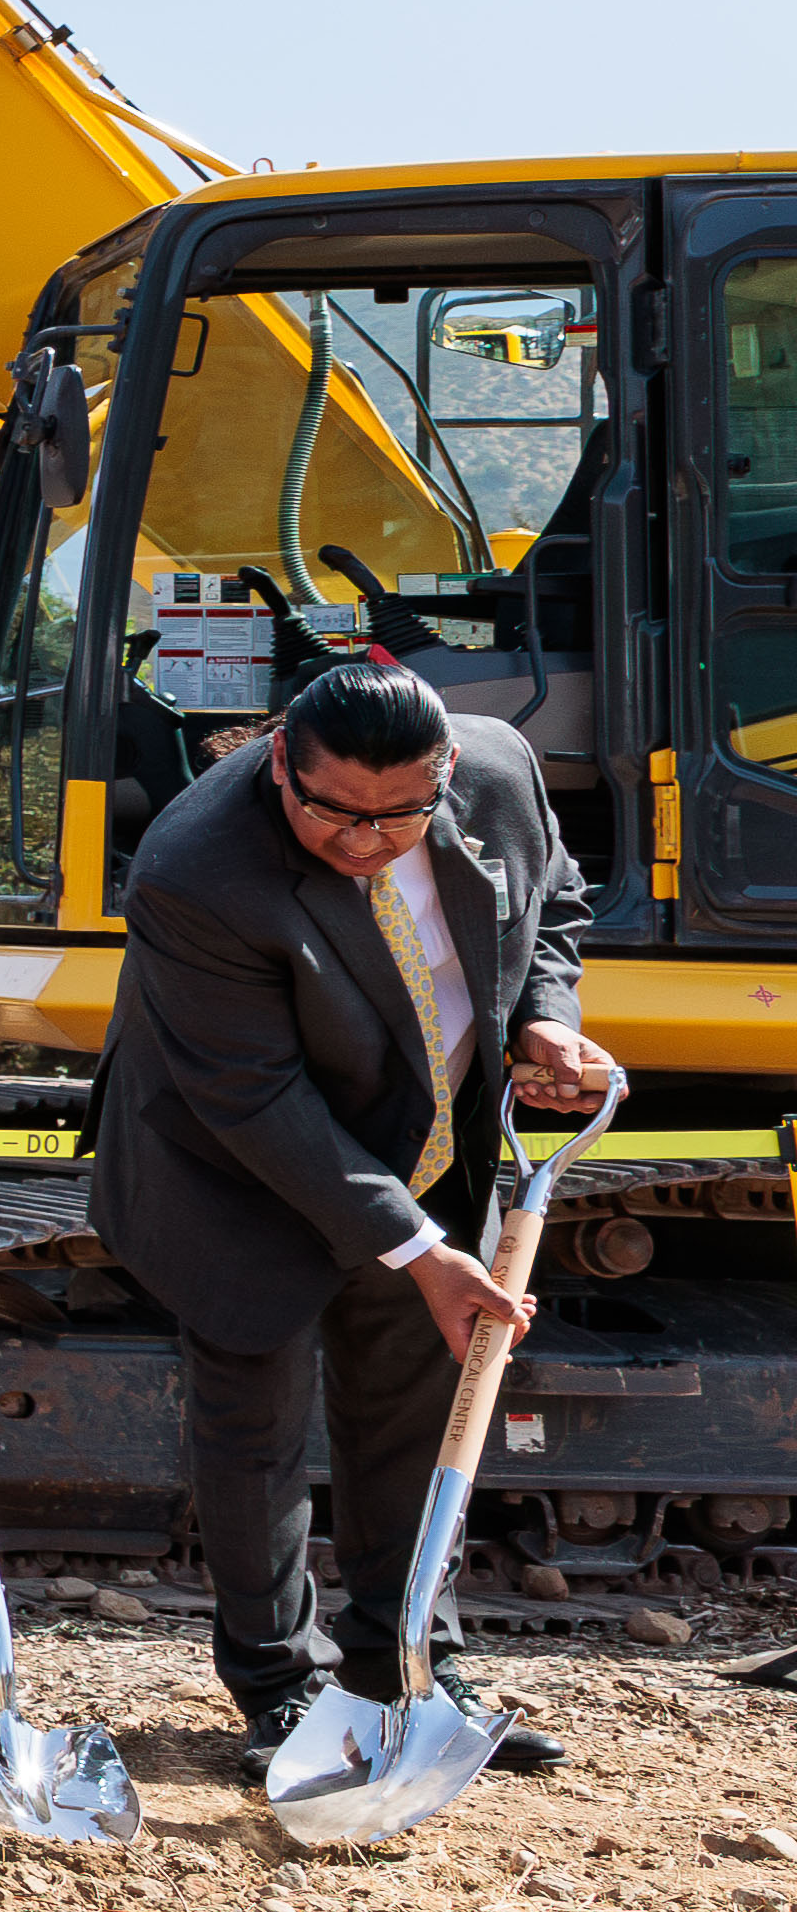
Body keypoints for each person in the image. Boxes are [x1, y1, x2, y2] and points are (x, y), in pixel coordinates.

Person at [94, 659, 618, 1775]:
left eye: (402, 814)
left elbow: (554, 904)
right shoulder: (198, 869)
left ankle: (407, 1661)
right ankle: (279, 1688)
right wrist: (423, 1251)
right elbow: (256, 1098)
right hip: (234, 1165)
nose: (370, 839)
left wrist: (543, 1018)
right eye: (333, 811)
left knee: (417, 1407)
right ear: (280, 758)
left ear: (447, 774)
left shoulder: (501, 772)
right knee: (257, 1426)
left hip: (418, 1143)